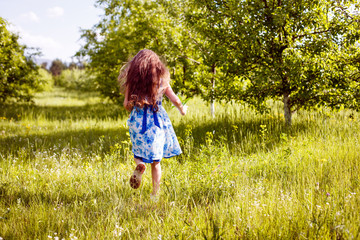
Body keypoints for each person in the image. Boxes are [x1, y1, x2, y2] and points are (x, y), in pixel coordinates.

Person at [119, 49, 187, 198]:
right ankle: (154, 194)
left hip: (137, 121)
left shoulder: (132, 82)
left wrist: (136, 103)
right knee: (156, 161)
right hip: (156, 124)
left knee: (138, 153)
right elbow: (175, 100)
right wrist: (182, 110)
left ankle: (140, 164)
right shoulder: (162, 82)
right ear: (157, 66)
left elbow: (126, 104)